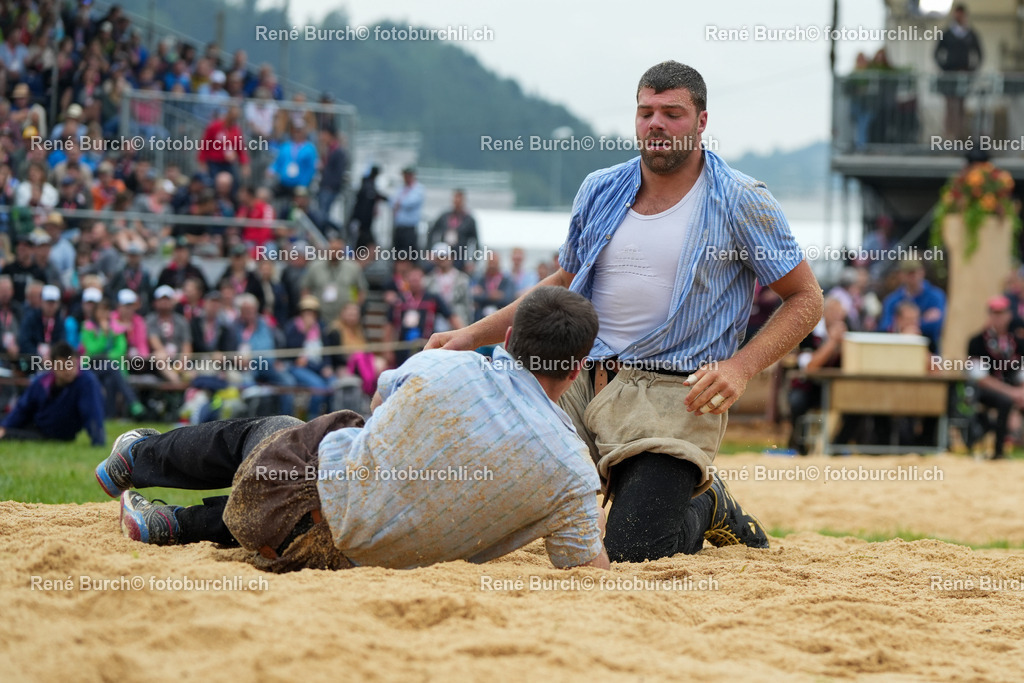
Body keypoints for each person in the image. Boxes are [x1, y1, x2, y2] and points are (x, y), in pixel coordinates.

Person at [427, 61, 824, 562]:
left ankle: (711, 504)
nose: (655, 124)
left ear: (702, 122)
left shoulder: (742, 200)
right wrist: (470, 335)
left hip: (675, 396)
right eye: (646, 112)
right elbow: (563, 284)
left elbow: (807, 299)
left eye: (672, 113)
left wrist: (740, 367)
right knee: (482, 505)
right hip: (579, 378)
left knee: (635, 551)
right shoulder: (600, 188)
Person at [95, 287, 609, 574]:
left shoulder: (446, 364)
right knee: (355, 499)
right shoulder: (572, 472)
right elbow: (588, 569)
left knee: (277, 429)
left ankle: (137, 457)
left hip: (274, 501)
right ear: (578, 365)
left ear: (513, 336)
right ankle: (172, 526)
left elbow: (378, 405)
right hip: (330, 564)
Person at [1, 341, 105, 446]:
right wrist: (5, 426)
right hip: (34, 422)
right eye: (63, 366)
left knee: (9, 434)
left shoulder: (86, 381)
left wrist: (98, 441)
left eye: (72, 365)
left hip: (55, 434)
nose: (68, 371)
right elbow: (23, 408)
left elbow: (92, 412)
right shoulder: (42, 381)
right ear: (52, 365)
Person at [967, 295, 1024, 460]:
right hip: (986, 390)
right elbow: (980, 378)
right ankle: (998, 451)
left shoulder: (1017, 343)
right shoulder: (977, 342)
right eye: (994, 313)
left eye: (1002, 313)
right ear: (989, 315)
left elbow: (1021, 372)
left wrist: (1021, 392)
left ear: (1009, 315)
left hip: (1013, 388)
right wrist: (1012, 393)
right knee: (1004, 401)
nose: (998, 317)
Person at [935, 4, 983, 141]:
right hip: (950, 74)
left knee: (961, 106)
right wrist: (944, 67)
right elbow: (936, 53)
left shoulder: (970, 34)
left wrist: (971, 70)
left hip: (964, 74)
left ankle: (960, 135)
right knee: (950, 106)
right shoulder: (948, 33)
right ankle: (948, 135)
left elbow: (979, 54)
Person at [879, 259, 946, 353]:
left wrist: (906, 325)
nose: (912, 277)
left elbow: (937, 325)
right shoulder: (892, 300)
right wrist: (921, 321)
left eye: (914, 272)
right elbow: (885, 327)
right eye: (908, 273)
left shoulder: (936, 296)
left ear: (922, 272)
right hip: (897, 351)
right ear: (901, 275)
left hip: (929, 352)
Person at [426, 188, 478, 268]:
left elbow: (475, 241)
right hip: (443, 256)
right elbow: (431, 231)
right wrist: (429, 250)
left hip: (460, 257)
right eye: (455, 198)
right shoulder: (445, 216)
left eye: (459, 199)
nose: (457, 201)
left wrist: (473, 261)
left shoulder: (469, 220)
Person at [349, 166, 387, 248]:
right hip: (363, 219)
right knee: (360, 238)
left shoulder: (367, 184)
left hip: (362, 218)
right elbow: (366, 201)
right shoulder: (368, 186)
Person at [390, 167, 424, 254]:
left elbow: (409, 203)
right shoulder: (401, 188)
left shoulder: (418, 189)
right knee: (397, 253)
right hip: (399, 226)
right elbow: (392, 202)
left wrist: (399, 203)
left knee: (409, 254)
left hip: (409, 228)